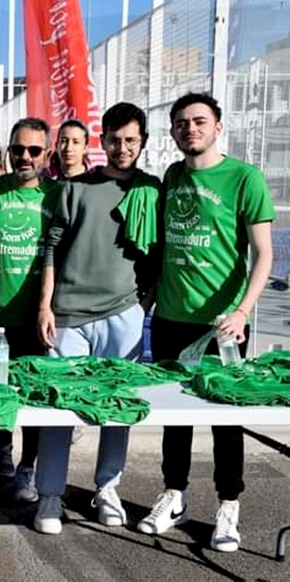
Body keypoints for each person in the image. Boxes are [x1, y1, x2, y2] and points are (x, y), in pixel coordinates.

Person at [137, 93, 274, 552]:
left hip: (222, 327)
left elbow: (264, 255)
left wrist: (241, 312)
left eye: (198, 121)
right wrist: (149, 301)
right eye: (180, 123)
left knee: (224, 419)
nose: (189, 129)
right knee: (175, 418)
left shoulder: (244, 178)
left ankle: (228, 505)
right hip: (172, 319)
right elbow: (165, 250)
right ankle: (173, 496)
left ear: (218, 126)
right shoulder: (172, 176)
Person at [35, 102, 162, 535]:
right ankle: (49, 495)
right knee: (59, 406)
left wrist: (143, 303)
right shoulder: (76, 188)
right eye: (114, 139)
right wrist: (45, 305)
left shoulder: (152, 190)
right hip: (68, 314)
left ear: (142, 141)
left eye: (131, 140)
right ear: (101, 140)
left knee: (117, 409)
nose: (122, 147)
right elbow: (51, 246)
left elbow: (159, 255)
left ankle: (107, 488)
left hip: (122, 314)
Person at [0, 117, 59, 505]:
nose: (24, 157)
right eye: (17, 149)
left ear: (47, 154)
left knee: (34, 401)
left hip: (38, 319)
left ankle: (27, 468)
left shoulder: (59, 195)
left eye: (34, 151)